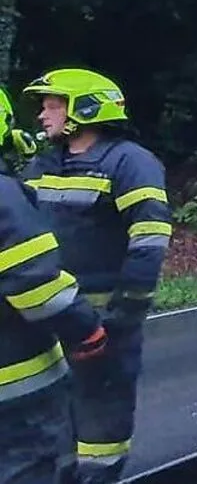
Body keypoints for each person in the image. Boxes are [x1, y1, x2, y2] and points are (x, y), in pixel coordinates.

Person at [22, 68, 172, 484]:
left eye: (52, 104)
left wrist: (122, 318)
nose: (41, 115)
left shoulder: (131, 163)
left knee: (100, 430)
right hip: (52, 323)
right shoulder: (41, 164)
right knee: (54, 423)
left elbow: (149, 242)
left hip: (105, 325)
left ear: (83, 110)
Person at [0, 87, 110, 484]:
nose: (43, 116)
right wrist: (86, 327)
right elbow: (37, 285)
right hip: (17, 395)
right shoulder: (3, 197)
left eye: (51, 106)